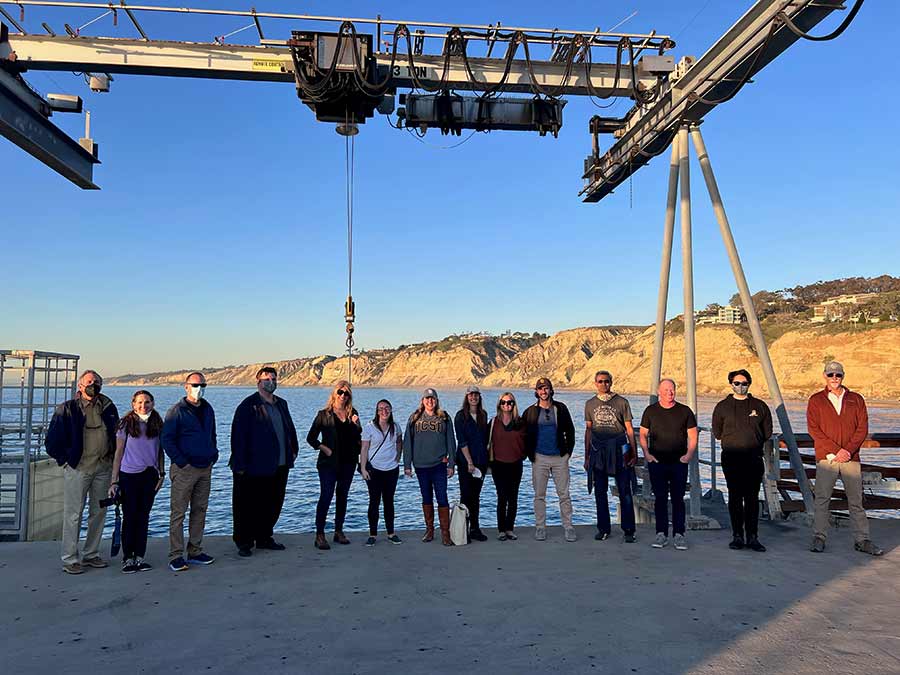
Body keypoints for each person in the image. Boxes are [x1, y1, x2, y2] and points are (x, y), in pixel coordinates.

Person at [46, 370, 119, 575]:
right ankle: (70, 558)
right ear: (80, 385)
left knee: (99, 512)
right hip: (78, 469)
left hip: (103, 469)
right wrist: (67, 461)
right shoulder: (68, 409)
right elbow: (52, 441)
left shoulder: (108, 407)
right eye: (89, 382)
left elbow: (117, 434)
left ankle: (91, 554)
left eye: (96, 382)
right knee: (73, 514)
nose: (92, 385)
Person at [807, 361, 883, 556]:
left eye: (838, 375)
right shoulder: (816, 400)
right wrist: (835, 450)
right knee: (822, 499)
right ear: (824, 376)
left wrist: (847, 451)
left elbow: (862, 428)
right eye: (831, 374)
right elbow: (813, 429)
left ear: (843, 376)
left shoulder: (856, 399)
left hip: (851, 458)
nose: (834, 378)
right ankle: (819, 537)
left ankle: (862, 539)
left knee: (856, 500)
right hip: (827, 459)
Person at [230, 367, 299, 557]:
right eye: (267, 378)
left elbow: (289, 428)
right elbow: (238, 437)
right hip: (254, 466)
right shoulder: (248, 406)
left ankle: (264, 537)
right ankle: (244, 542)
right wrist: (240, 465)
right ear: (258, 381)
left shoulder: (281, 404)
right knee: (247, 505)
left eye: (274, 379)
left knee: (273, 503)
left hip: (280, 464)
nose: (271, 382)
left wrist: (294, 449)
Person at [161, 372, 219, 572]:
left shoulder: (208, 408)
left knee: (200, 510)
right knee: (178, 513)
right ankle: (175, 555)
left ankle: (195, 550)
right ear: (186, 387)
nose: (199, 388)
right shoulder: (176, 411)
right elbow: (167, 439)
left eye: (202, 384)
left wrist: (214, 453)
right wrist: (181, 462)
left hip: (205, 467)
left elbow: (212, 433)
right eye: (195, 385)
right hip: (185, 469)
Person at [711, 369, 772, 552]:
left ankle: (753, 537)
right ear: (731, 384)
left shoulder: (760, 406)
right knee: (735, 497)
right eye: (737, 383)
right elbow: (717, 432)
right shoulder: (722, 407)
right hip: (731, 458)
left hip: (753, 458)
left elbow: (767, 432)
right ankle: (737, 536)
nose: (740, 386)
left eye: (744, 383)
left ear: (749, 384)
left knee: (752, 498)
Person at [109, 390, 165, 573]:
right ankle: (128, 558)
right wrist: (114, 481)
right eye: (140, 402)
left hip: (149, 476)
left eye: (147, 402)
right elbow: (118, 453)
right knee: (130, 517)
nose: (144, 405)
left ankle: (140, 557)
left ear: (153, 403)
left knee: (143, 517)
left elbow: (160, 451)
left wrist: (161, 474)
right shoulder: (126, 424)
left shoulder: (157, 423)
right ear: (133, 404)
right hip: (129, 476)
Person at [639, 378, 698, 551]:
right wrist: (647, 454)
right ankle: (661, 533)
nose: (669, 393)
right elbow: (643, 434)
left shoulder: (685, 411)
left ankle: (679, 534)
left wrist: (688, 455)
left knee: (678, 499)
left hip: (679, 463)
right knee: (660, 499)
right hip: (657, 462)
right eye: (665, 390)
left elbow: (693, 435)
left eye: (671, 390)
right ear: (659, 392)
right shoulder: (650, 411)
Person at [306, 380, 361, 550]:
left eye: (346, 393)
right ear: (334, 394)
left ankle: (338, 531)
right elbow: (311, 438)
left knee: (342, 496)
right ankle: (320, 534)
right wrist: (324, 448)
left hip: (348, 462)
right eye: (340, 392)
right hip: (328, 463)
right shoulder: (324, 414)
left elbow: (357, 439)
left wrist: (357, 425)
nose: (343, 396)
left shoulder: (353, 413)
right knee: (326, 496)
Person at [583, 370, 637, 543]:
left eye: (606, 381)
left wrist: (633, 453)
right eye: (600, 381)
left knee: (624, 491)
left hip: (619, 449)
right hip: (598, 451)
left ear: (611, 382)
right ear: (595, 383)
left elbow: (629, 429)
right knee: (600, 491)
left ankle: (629, 530)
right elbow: (589, 430)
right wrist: (586, 456)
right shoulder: (590, 404)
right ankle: (603, 529)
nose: (603, 384)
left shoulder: (622, 402)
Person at [522, 377, 577, 542]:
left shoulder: (560, 408)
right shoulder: (530, 412)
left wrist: (568, 453)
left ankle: (568, 527)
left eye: (546, 388)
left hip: (559, 457)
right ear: (536, 392)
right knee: (539, 495)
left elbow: (571, 431)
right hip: (539, 458)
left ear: (551, 390)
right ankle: (540, 528)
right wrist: (529, 454)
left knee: (564, 494)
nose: (543, 392)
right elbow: (522, 434)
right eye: (540, 389)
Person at [403, 388, 456, 546]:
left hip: (439, 465)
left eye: (432, 398)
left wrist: (451, 463)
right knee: (426, 497)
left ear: (436, 400)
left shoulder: (444, 417)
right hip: (421, 465)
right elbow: (407, 442)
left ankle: (445, 533)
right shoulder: (414, 418)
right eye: (427, 398)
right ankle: (430, 530)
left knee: (442, 498)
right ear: (422, 400)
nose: (430, 401)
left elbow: (451, 442)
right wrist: (407, 464)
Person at [360, 399, 403, 546]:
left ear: (391, 410)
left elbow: (399, 441)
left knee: (389, 501)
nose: (384, 411)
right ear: (377, 411)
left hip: (391, 469)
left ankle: (391, 533)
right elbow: (364, 448)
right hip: (374, 470)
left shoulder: (395, 426)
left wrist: (398, 456)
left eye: (387, 408)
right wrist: (363, 468)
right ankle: (372, 534)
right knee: (374, 501)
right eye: (380, 409)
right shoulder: (369, 427)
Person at [454, 386, 490, 542]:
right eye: (470, 395)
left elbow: (485, 441)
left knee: (476, 497)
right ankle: (463, 530)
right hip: (465, 463)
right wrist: (469, 462)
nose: (473, 397)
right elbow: (462, 441)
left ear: (479, 397)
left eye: (476, 395)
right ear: (466, 397)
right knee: (466, 496)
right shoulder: (460, 416)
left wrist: (486, 463)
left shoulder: (483, 415)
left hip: (480, 463)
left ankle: (475, 528)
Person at [489, 392, 527, 541]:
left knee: (513, 497)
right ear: (499, 405)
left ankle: (510, 529)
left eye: (510, 402)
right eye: (504, 402)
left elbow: (527, 440)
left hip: (516, 464)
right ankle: (501, 530)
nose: (507, 405)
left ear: (514, 404)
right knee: (501, 497)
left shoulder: (520, 422)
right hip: (498, 464)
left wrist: (523, 455)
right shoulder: (493, 422)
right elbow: (487, 442)